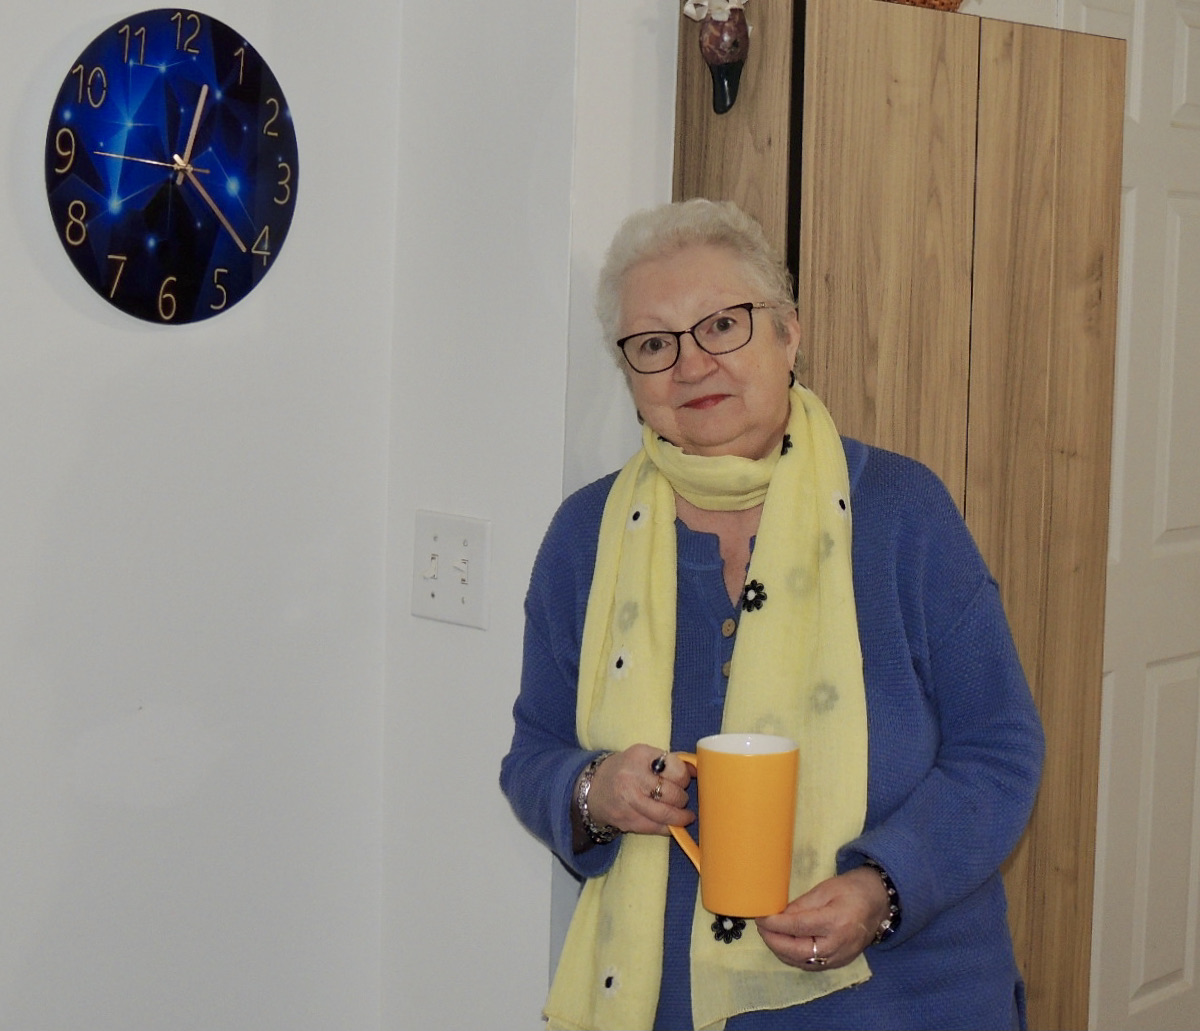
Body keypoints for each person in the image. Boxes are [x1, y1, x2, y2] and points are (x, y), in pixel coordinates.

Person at [500, 198, 1044, 1031]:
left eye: (723, 325)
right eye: (654, 344)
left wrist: (881, 887)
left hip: (906, 1001)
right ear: (630, 374)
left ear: (789, 334)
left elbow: (999, 749)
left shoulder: (903, 513)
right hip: (668, 1008)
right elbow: (534, 752)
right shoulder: (585, 537)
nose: (692, 365)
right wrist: (591, 789)